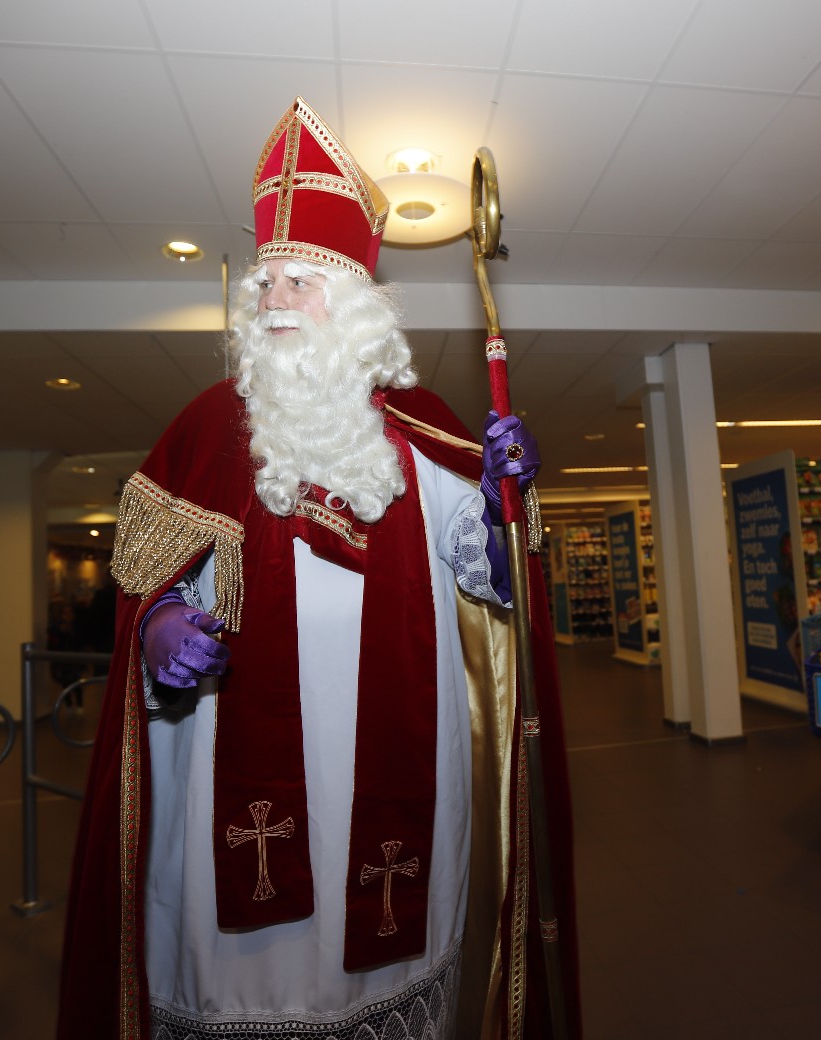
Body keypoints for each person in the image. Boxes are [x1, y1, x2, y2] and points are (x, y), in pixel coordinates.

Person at [57, 97, 580, 1040]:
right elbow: (146, 576)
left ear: (352, 308)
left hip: (400, 746)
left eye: (298, 282)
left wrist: (509, 501)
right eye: (265, 283)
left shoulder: (427, 437)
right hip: (226, 747)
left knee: (382, 904)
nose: (271, 301)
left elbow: (496, 588)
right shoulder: (206, 427)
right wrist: (162, 624)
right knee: (236, 916)